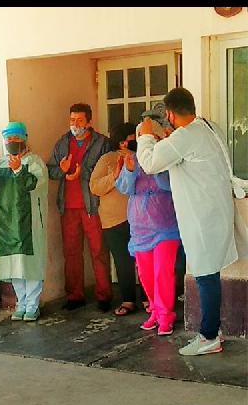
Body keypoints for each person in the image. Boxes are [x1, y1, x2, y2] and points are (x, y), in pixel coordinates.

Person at [136, 87, 238, 356]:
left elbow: (149, 163)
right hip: (215, 212)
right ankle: (212, 332)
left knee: (205, 275)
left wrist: (145, 136)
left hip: (202, 216)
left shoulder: (184, 137)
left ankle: (208, 336)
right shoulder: (207, 127)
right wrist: (170, 140)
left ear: (169, 113)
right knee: (210, 274)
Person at [114, 119, 181, 336]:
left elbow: (169, 185)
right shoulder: (132, 159)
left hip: (165, 226)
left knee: (163, 272)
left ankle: (165, 315)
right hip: (140, 227)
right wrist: (130, 170)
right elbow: (124, 188)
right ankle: (155, 309)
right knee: (146, 274)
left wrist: (153, 163)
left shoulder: (167, 157)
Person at [47, 103, 114, 311]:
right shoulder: (62, 142)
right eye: (72, 120)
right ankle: (75, 296)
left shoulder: (102, 142)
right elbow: (51, 170)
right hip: (68, 206)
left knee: (98, 251)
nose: (75, 125)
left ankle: (104, 296)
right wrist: (63, 171)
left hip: (92, 206)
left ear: (89, 122)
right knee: (71, 252)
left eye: (79, 121)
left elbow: (109, 170)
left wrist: (81, 175)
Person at [0, 122, 48, 321]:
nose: (11, 142)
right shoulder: (0, 163)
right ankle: (21, 302)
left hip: (29, 222)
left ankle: (33, 305)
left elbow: (34, 184)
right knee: (14, 265)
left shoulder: (34, 162)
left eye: (15, 139)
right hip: (6, 222)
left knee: (30, 264)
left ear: (24, 139)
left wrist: (19, 170)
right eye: (8, 139)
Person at [89, 123, 139, 316]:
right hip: (114, 221)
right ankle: (128, 300)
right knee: (122, 261)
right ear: (122, 141)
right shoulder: (107, 159)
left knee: (144, 261)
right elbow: (94, 187)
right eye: (132, 137)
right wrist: (114, 175)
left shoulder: (142, 157)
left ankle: (147, 299)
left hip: (141, 219)